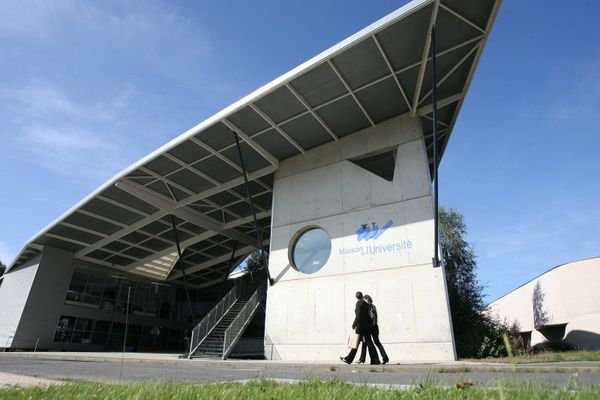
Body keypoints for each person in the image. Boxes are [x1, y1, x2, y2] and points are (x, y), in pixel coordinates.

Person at [340, 291, 380, 365]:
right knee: (369, 343)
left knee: (357, 343)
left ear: (356, 297)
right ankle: (375, 360)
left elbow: (358, 316)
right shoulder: (366, 304)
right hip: (367, 327)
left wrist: (354, 325)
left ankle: (349, 359)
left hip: (361, 327)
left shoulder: (359, 304)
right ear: (362, 296)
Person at [357, 294, 389, 365]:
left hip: (369, 327)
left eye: (364, 300)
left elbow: (370, 316)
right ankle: (385, 358)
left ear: (366, 299)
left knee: (365, 342)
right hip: (375, 327)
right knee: (377, 342)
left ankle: (362, 359)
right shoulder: (374, 306)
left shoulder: (368, 307)